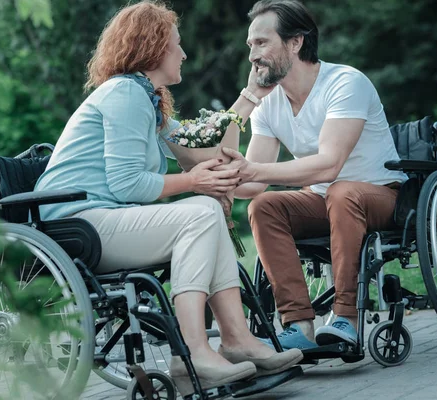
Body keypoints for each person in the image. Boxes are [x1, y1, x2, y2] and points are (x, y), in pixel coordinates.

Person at [33, 1, 302, 396]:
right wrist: (194, 181)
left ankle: (237, 339)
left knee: (206, 209)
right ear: (155, 47)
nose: (184, 53)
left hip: (104, 220)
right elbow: (127, 184)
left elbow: (205, 154)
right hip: (79, 224)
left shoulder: (146, 99)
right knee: (200, 213)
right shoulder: (124, 94)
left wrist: (252, 95)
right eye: (177, 44)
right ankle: (191, 353)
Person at [218, 0, 408, 350]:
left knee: (342, 191)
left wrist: (251, 169)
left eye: (262, 43)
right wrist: (247, 100)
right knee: (264, 207)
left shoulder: (345, 83)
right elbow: (250, 184)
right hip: (323, 199)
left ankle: (345, 318)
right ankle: (299, 326)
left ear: (295, 42)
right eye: (250, 46)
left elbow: (329, 164)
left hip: (380, 195)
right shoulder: (269, 103)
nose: (252, 56)